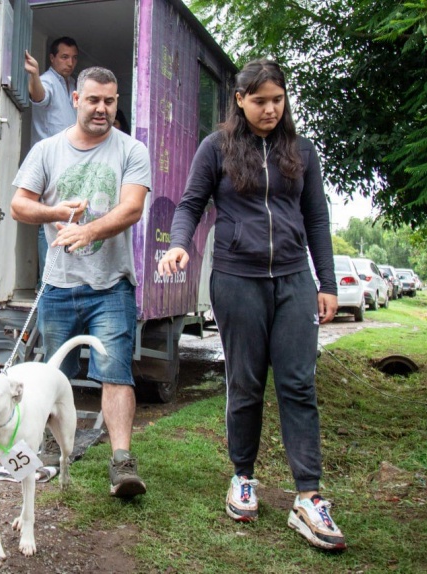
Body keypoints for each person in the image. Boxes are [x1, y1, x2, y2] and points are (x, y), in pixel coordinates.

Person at [157, 58, 346, 551]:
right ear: (240, 100)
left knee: (298, 384)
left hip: (293, 279)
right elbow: (190, 204)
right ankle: (243, 476)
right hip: (237, 280)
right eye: (260, 100)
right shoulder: (216, 148)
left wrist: (327, 282)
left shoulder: (301, 151)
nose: (269, 109)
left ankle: (309, 496)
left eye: (277, 100)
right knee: (244, 383)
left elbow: (318, 220)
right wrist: (180, 244)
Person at [10, 67, 151, 499]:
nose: (102, 109)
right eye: (93, 100)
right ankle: (51, 452)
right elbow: (18, 205)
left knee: (116, 373)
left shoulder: (131, 150)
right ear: (75, 99)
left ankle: (122, 462)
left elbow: (131, 209)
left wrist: (88, 231)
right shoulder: (47, 150)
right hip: (58, 286)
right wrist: (57, 214)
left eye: (109, 101)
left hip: (111, 285)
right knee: (54, 376)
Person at [24, 37, 80, 286]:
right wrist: (33, 75)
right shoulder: (47, 80)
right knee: (47, 222)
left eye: (74, 58)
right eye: (64, 57)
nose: (70, 62)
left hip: (71, 160)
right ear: (52, 58)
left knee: (66, 221)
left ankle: (62, 281)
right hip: (50, 162)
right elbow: (39, 96)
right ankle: (46, 284)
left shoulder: (73, 84)